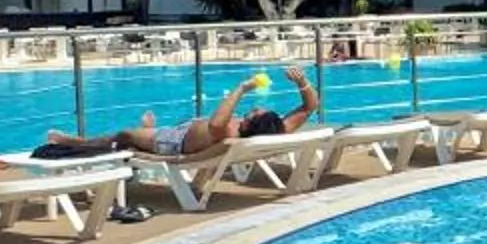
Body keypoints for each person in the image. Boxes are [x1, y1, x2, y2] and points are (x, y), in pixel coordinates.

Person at [44, 64, 319, 159]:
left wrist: (242, 88)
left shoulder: (227, 130)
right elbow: (310, 106)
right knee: (140, 132)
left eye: (254, 112)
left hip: (172, 142)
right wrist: (302, 82)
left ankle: (76, 143)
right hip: (180, 132)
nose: (256, 109)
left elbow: (217, 120)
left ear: (249, 124)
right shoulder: (277, 130)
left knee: (125, 135)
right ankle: (149, 130)